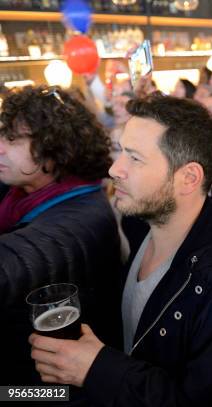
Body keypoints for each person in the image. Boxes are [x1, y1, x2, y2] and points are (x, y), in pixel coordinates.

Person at [29, 95, 212, 406]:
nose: (115, 169)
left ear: (188, 178)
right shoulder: (143, 221)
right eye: (120, 152)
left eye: (135, 158)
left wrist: (96, 368)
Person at [0, 86, 122, 385]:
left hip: (47, 393)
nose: (1, 146)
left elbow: (12, 266)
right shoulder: (23, 191)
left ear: (56, 149)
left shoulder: (81, 218)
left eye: (14, 139)